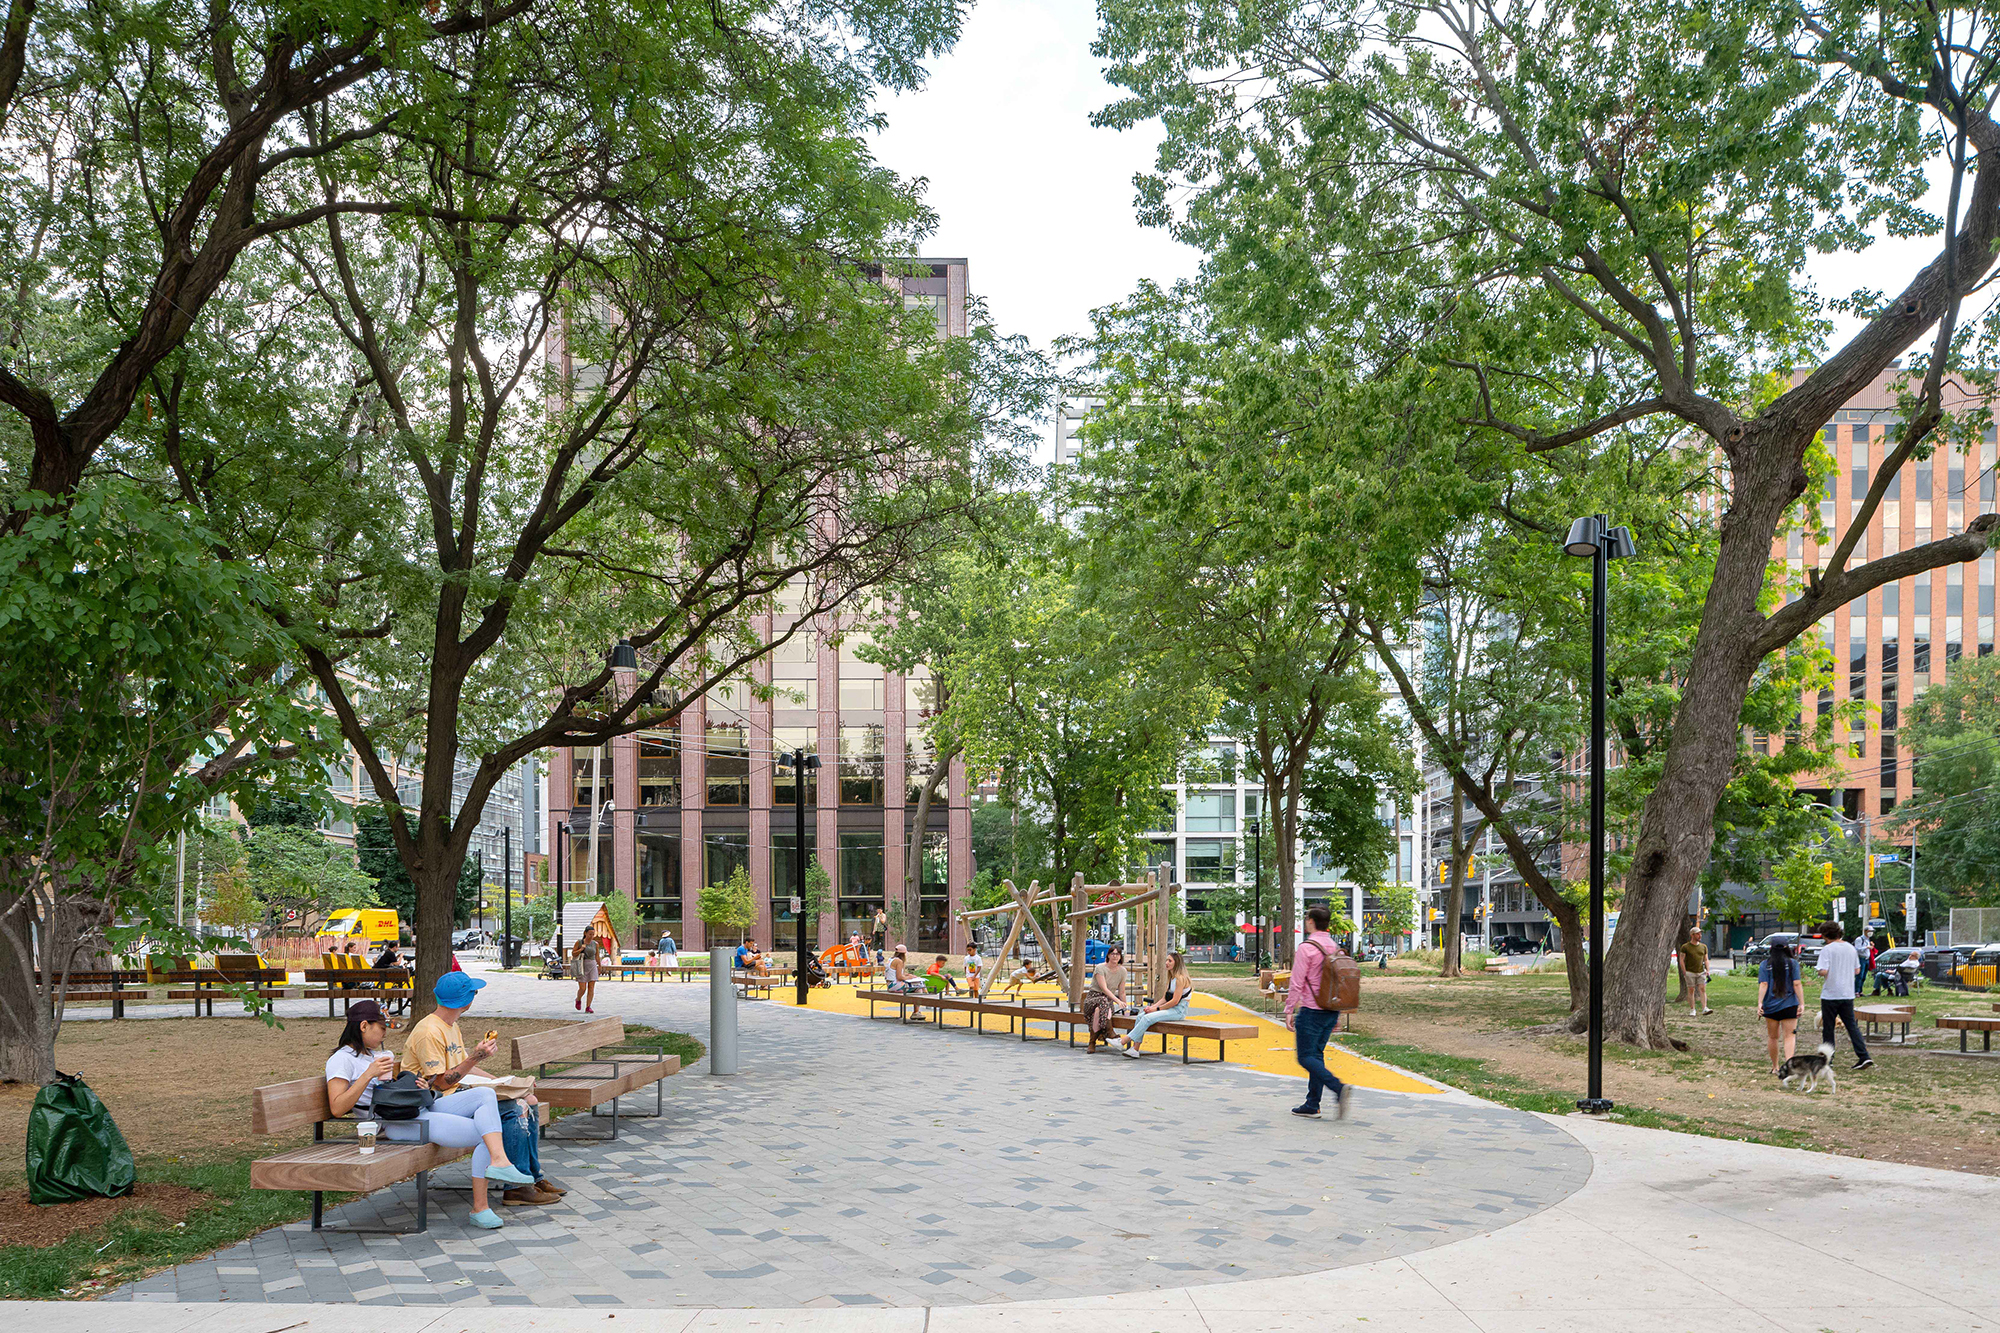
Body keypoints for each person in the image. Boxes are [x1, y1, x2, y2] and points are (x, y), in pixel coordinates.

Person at [331, 988, 535, 1229]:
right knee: (484, 1135)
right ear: (364, 1026)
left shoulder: (379, 1054)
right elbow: (337, 1107)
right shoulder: (341, 1060)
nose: (385, 1033)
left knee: (484, 1094)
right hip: (395, 1124)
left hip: (416, 1109)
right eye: (382, 1027)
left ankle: (500, 1162)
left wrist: (418, 1085)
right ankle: (480, 1208)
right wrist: (368, 1074)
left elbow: (389, 1092)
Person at [403, 974, 564, 1209]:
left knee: (528, 1098)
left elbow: (463, 1066)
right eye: (473, 993)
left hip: (457, 1094)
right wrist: (476, 1057)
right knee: (514, 1108)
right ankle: (516, 1189)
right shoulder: (429, 1032)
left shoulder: (449, 1025)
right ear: (465, 1000)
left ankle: (532, 1176)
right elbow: (440, 1083)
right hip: (435, 1102)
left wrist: (504, 1082)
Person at [1281, 906, 1352, 1119]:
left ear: (1311, 921)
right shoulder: (1334, 946)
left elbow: (1296, 982)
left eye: (1306, 918)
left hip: (1311, 1010)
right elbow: (1338, 984)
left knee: (1305, 1057)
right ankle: (1313, 1104)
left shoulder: (1306, 947)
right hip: (1330, 1009)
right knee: (1316, 1055)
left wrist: (1289, 1009)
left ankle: (1338, 1088)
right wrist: (1337, 1013)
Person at [1109, 950, 1193, 1059]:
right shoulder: (1171, 978)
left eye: (1170, 961)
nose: (1167, 963)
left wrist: (1156, 1009)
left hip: (1179, 1011)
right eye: (1166, 960)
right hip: (1171, 1009)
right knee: (1141, 1016)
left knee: (1147, 1018)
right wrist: (1151, 1007)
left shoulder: (1180, 979)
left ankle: (1123, 1041)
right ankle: (1135, 1049)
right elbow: (1165, 998)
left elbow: (1175, 1001)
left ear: (1176, 963)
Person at [1814, 920, 1873, 1070]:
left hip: (1831, 994)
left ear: (1826, 935)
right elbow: (1857, 970)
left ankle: (1828, 1058)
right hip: (1847, 993)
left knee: (1828, 1028)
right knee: (1852, 1026)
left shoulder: (1827, 950)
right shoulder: (1851, 948)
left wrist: (1819, 971)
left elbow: (1823, 971)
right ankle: (1863, 1056)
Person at [1757, 937, 1805, 1075]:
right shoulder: (1793, 964)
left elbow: (1763, 984)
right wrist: (1801, 1003)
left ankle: (1775, 1067)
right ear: (1787, 948)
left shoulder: (1765, 964)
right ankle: (1789, 1067)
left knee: (1773, 1037)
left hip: (1770, 1006)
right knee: (1789, 1036)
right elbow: (1797, 984)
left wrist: (1760, 1003)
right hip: (1789, 1005)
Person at [1081, 942, 1128, 1052]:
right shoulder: (1100, 968)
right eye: (1112, 953)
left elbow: (1122, 992)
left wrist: (1125, 1006)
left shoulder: (1122, 971)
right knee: (1102, 1001)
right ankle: (1109, 1033)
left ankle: (1092, 1042)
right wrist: (1117, 1001)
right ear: (1108, 955)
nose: (1115, 956)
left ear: (1120, 956)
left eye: (1117, 954)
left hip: (1107, 1002)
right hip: (1093, 998)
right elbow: (1104, 989)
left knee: (1099, 1011)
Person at [1679, 927, 1711, 1017]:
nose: (1700, 935)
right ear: (1692, 935)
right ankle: (1692, 1009)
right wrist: (1684, 971)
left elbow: (1706, 959)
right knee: (1691, 990)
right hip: (1690, 972)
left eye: (1700, 933)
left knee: (1702, 989)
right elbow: (1681, 959)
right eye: (1697, 934)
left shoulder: (1703, 946)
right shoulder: (1685, 947)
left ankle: (1705, 1008)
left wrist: (1708, 970)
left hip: (1701, 972)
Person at [572, 925, 603, 1013]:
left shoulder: (595, 944)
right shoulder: (579, 942)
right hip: (582, 965)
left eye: (593, 934)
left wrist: (599, 965)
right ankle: (578, 999)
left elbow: (597, 955)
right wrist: (581, 949)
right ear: (585, 933)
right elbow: (573, 953)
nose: (591, 936)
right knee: (582, 988)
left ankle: (588, 1006)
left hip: (592, 964)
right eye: (590, 934)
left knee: (591, 987)